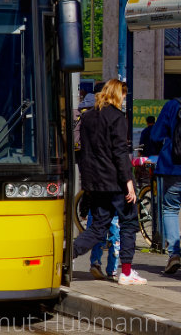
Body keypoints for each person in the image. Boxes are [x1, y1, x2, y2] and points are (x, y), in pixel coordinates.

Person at [72, 80, 146, 285]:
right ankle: (127, 272)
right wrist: (128, 182)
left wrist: (88, 183)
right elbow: (120, 152)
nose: (124, 99)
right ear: (116, 94)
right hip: (115, 182)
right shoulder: (117, 118)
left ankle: (65, 256)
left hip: (95, 183)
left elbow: (84, 151)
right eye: (123, 95)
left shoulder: (87, 117)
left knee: (97, 227)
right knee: (129, 222)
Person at [151, 98, 181, 274]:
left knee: (170, 209)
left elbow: (155, 135)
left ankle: (174, 255)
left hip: (172, 167)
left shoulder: (172, 105)